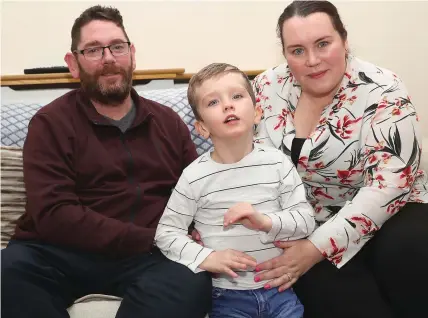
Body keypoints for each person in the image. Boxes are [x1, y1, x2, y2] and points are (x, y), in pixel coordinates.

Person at [0, 5, 211, 318]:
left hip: (149, 255)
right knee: (9, 272)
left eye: (117, 47)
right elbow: (54, 214)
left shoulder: (168, 122)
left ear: (132, 54)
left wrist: (189, 236)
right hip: (61, 251)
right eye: (94, 50)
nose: (109, 58)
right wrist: (151, 237)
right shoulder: (50, 123)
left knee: (192, 280)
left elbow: (197, 194)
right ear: (73, 64)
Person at [247, 1, 428, 318]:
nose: (312, 61)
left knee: (412, 249)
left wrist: (315, 248)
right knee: (336, 297)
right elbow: (243, 159)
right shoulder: (264, 88)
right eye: (297, 51)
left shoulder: (384, 89)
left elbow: (390, 185)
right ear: (285, 53)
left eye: (323, 44)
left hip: (392, 215)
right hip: (307, 225)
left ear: (344, 40)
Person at [155, 63, 316, 318]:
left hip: (280, 290)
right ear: (202, 128)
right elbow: (166, 232)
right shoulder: (194, 176)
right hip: (226, 297)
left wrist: (265, 221)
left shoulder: (278, 163)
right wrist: (206, 257)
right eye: (213, 102)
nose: (228, 105)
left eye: (237, 96)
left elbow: (306, 221)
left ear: (257, 113)